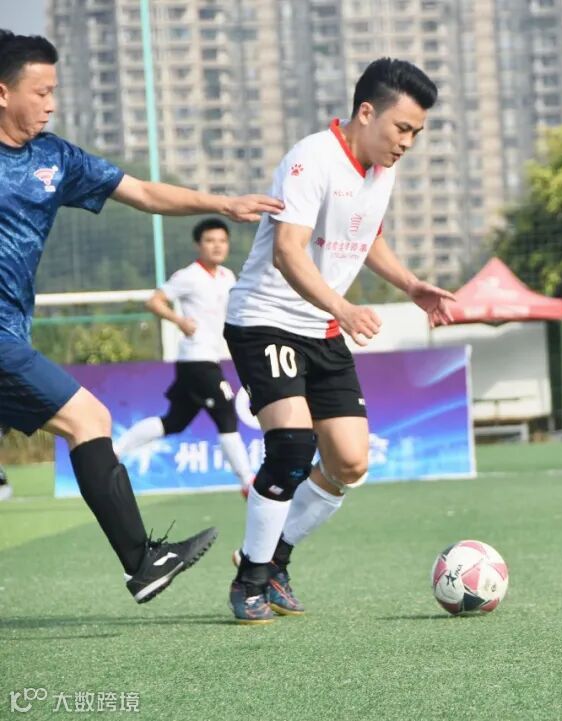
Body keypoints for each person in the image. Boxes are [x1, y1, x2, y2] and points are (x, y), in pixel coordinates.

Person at [0, 30, 284, 602]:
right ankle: (142, 561)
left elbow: (145, 193)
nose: (51, 103)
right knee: (89, 418)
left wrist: (223, 203)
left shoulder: (55, 158)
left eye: (55, 91)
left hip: (13, 331)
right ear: (3, 93)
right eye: (41, 91)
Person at [224, 58, 453, 623]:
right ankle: (250, 582)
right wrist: (344, 308)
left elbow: (366, 236)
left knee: (349, 462)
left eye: (416, 134)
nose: (407, 143)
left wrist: (411, 285)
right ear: (366, 112)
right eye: (402, 128)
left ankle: (273, 559)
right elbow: (288, 252)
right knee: (292, 446)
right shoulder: (312, 159)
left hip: (321, 329)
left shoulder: (381, 171)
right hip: (266, 320)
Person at [114, 218, 254, 495]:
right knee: (226, 413)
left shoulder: (227, 277)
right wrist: (179, 321)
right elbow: (154, 301)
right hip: (196, 360)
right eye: (210, 241)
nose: (217, 246)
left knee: (175, 421)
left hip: (209, 358)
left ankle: (114, 450)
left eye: (222, 241)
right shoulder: (189, 275)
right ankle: (247, 481)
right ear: (198, 245)